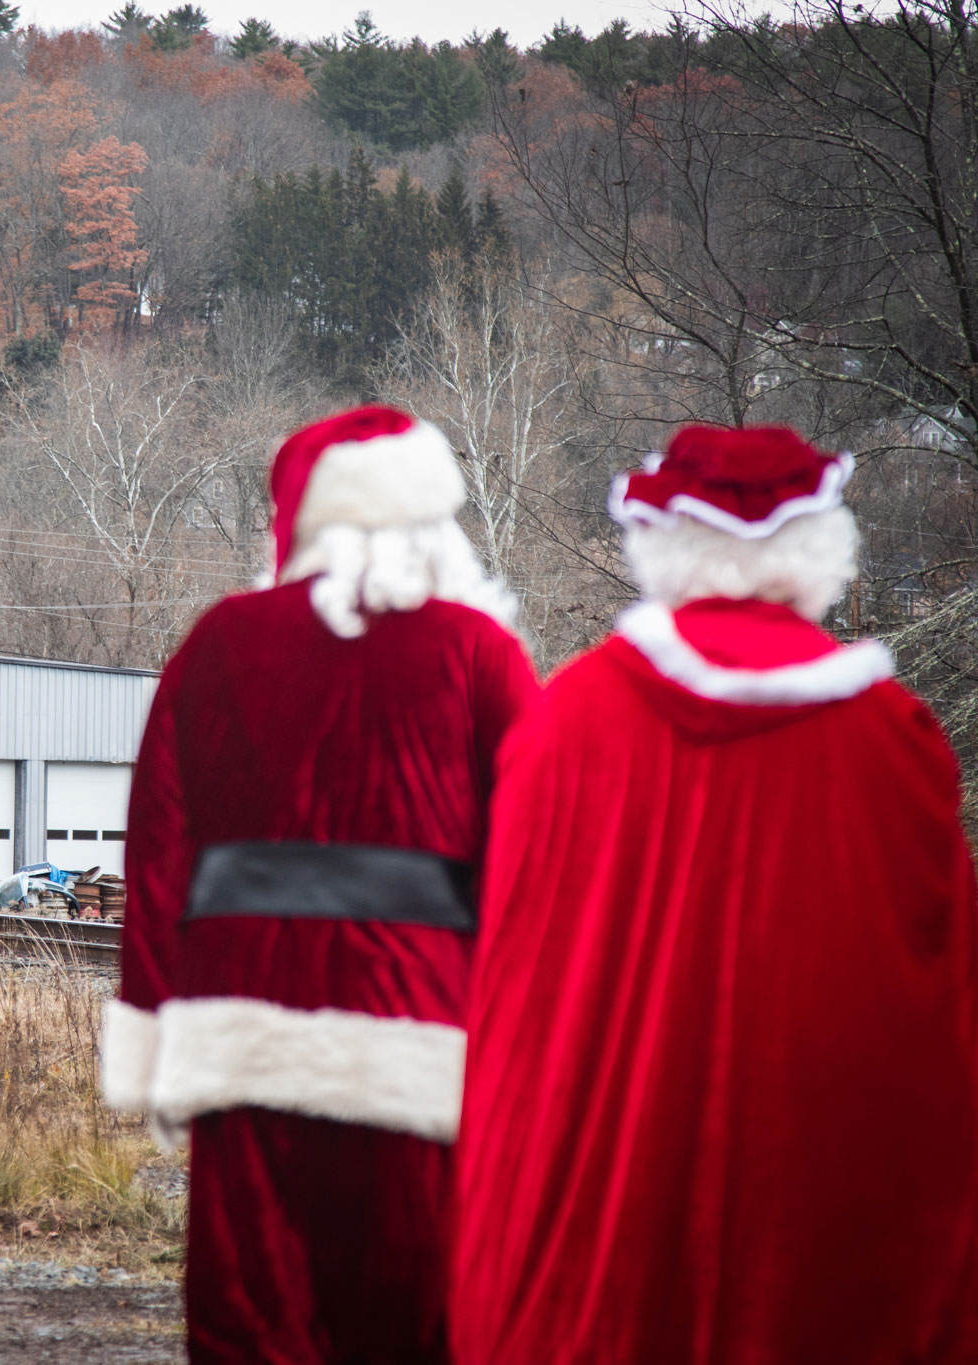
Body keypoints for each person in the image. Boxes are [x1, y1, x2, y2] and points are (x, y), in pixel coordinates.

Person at [451, 424, 978, 1364]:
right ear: (822, 548)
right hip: (825, 1188)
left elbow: (514, 977)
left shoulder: (568, 718)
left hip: (614, 1190)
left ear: (657, 544)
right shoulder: (893, 739)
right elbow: (942, 999)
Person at [103, 405, 540, 1364]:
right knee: (420, 1318)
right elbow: (540, 866)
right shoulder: (480, 654)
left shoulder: (219, 641)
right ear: (436, 523)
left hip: (241, 1041)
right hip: (425, 1047)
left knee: (251, 1318)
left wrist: (151, 1021)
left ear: (296, 521)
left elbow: (157, 849)